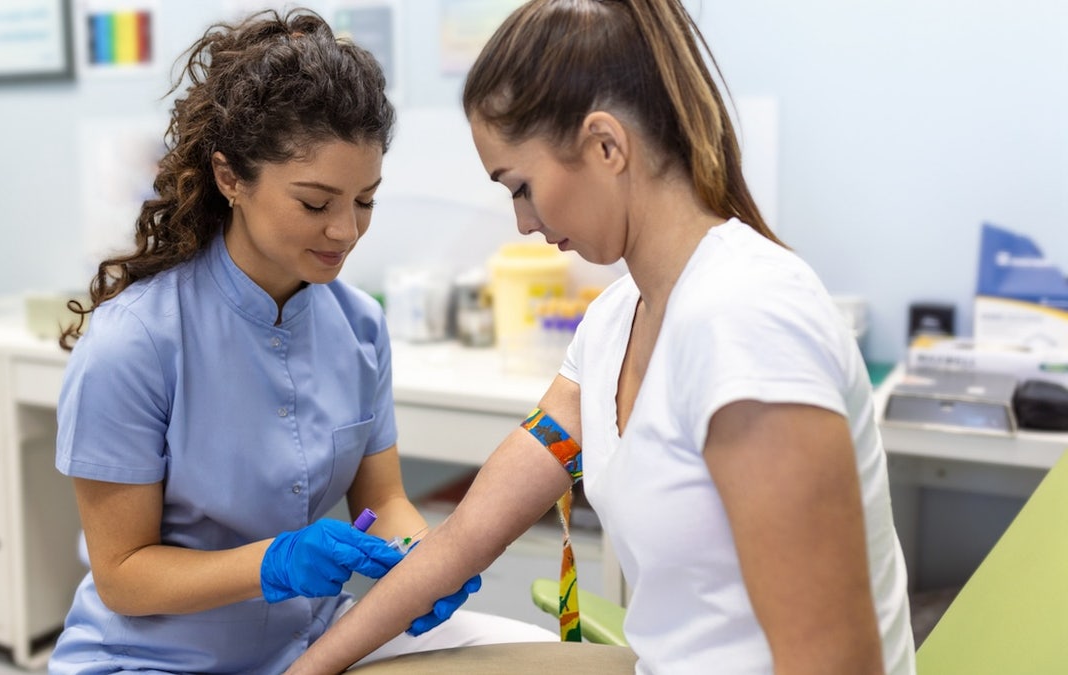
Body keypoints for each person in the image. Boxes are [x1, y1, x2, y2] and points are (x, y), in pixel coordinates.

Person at [285, 1, 917, 673]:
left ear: (607, 145)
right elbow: (465, 537)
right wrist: (312, 667)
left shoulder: (747, 323)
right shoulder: (616, 323)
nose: (523, 222)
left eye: (521, 187)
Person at [49, 9, 554, 674]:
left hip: (313, 642)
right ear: (231, 179)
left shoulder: (359, 326)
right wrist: (276, 561)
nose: (345, 231)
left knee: (535, 655)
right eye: (316, 204)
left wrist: (422, 560)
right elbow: (122, 574)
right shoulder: (134, 343)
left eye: (365, 201)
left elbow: (385, 499)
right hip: (156, 658)